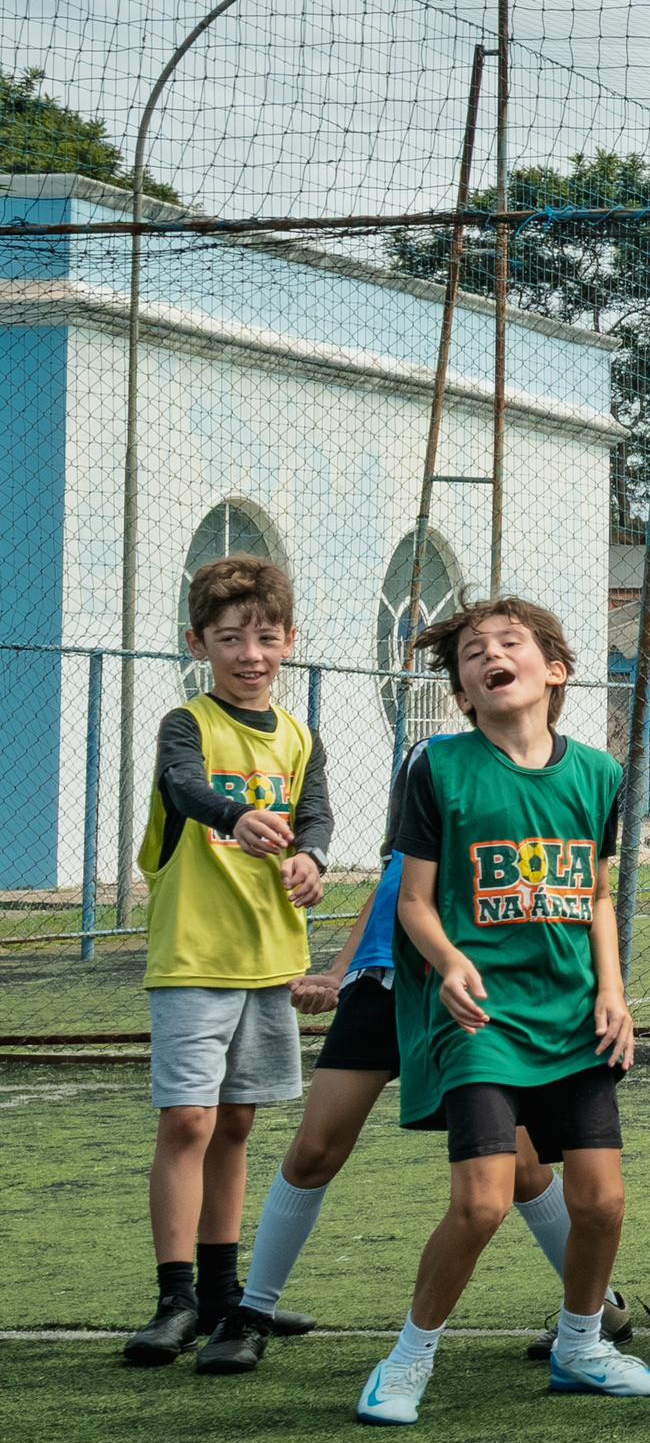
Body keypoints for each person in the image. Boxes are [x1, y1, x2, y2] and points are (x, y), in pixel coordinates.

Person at [202, 777, 641, 1375]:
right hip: (384, 986)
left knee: (523, 1168)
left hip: (477, 994)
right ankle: (252, 1311)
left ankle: (596, 1307)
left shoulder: (545, 781)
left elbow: (590, 891)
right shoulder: (440, 767)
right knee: (315, 1149)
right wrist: (339, 970)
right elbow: (396, 881)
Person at [354, 598, 650, 1423]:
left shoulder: (599, 774)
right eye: (471, 654)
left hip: (572, 1017)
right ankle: (408, 1358)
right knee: (484, 1200)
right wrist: (449, 962)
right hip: (481, 1021)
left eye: (509, 643)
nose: (490, 656)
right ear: (462, 692)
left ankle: (581, 1345)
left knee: (600, 1200)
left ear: (554, 670)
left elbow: (595, 895)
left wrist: (614, 992)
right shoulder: (438, 767)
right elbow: (412, 902)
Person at [126, 552, 331, 1365]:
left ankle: (224, 1298)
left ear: (289, 641)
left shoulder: (300, 735)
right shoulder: (188, 725)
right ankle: (174, 1298)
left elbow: (315, 816)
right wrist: (239, 814)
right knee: (188, 1120)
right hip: (193, 960)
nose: (250, 653)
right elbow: (183, 788)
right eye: (229, 638)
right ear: (198, 643)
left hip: (271, 960)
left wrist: (311, 857)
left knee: (237, 1124)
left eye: (265, 636)